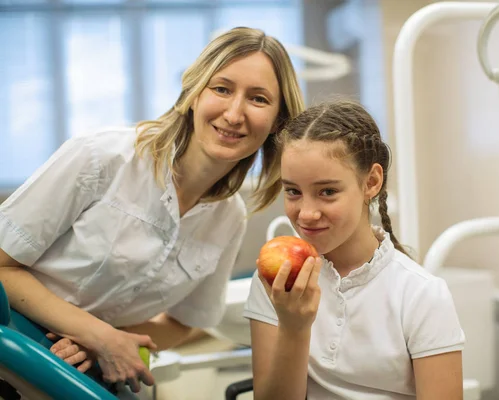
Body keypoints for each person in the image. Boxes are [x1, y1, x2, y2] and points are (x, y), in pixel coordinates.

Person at [0, 27, 304, 393]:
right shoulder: (101, 157)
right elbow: (3, 266)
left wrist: (113, 344)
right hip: (13, 349)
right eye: (221, 89)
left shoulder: (229, 217)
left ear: (277, 121)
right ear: (193, 94)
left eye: (258, 99)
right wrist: (99, 335)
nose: (234, 113)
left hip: (86, 373)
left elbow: (185, 322)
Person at [244, 100, 465, 400]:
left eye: (327, 192)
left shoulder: (421, 294)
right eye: (293, 191)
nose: (306, 213)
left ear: (371, 182)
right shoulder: (277, 281)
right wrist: (293, 329)